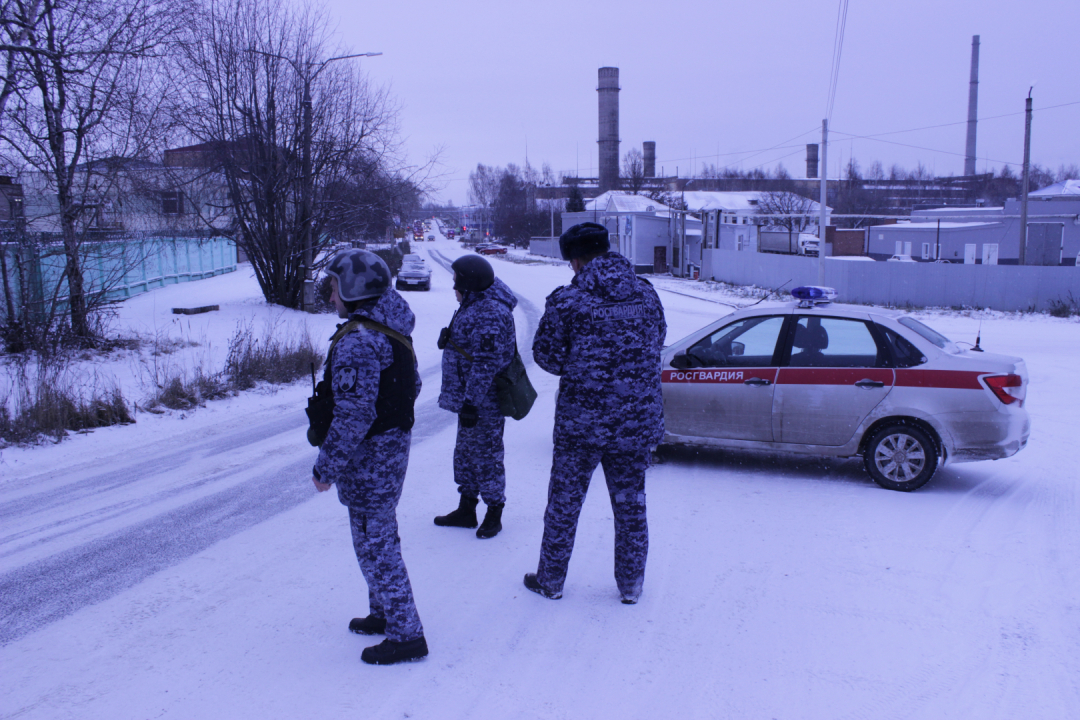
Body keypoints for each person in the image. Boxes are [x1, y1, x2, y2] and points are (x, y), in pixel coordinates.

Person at [524, 223, 666, 604]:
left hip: (581, 426)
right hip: (635, 423)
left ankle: (551, 581)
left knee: (564, 506)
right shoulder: (647, 295)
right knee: (631, 506)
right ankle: (631, 586)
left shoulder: (568, 302)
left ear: (575, 260)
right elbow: (658, 342)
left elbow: (548, 358)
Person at [311, 249, 427, 665]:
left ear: (354, 289)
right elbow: (410, 386)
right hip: (387, 454)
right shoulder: (390, 328)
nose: (329, 296)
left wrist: (326, 466)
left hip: (370, 461)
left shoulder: (360, 340)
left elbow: (354, 415)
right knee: (371, 539)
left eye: (333, 287)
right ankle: (383, 611)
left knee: (377, 546)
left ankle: (406, 633)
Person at [434, 255, 517, 539]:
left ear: (470, 284)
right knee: (467, 453)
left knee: (487, 455)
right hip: (471, 398)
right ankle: (467, 509)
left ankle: (495, 511)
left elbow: (485, 361)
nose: (454, 286)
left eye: (457, 280)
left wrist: (472, 401)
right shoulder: (474, 305)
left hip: (484, 400)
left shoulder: (490, 311)